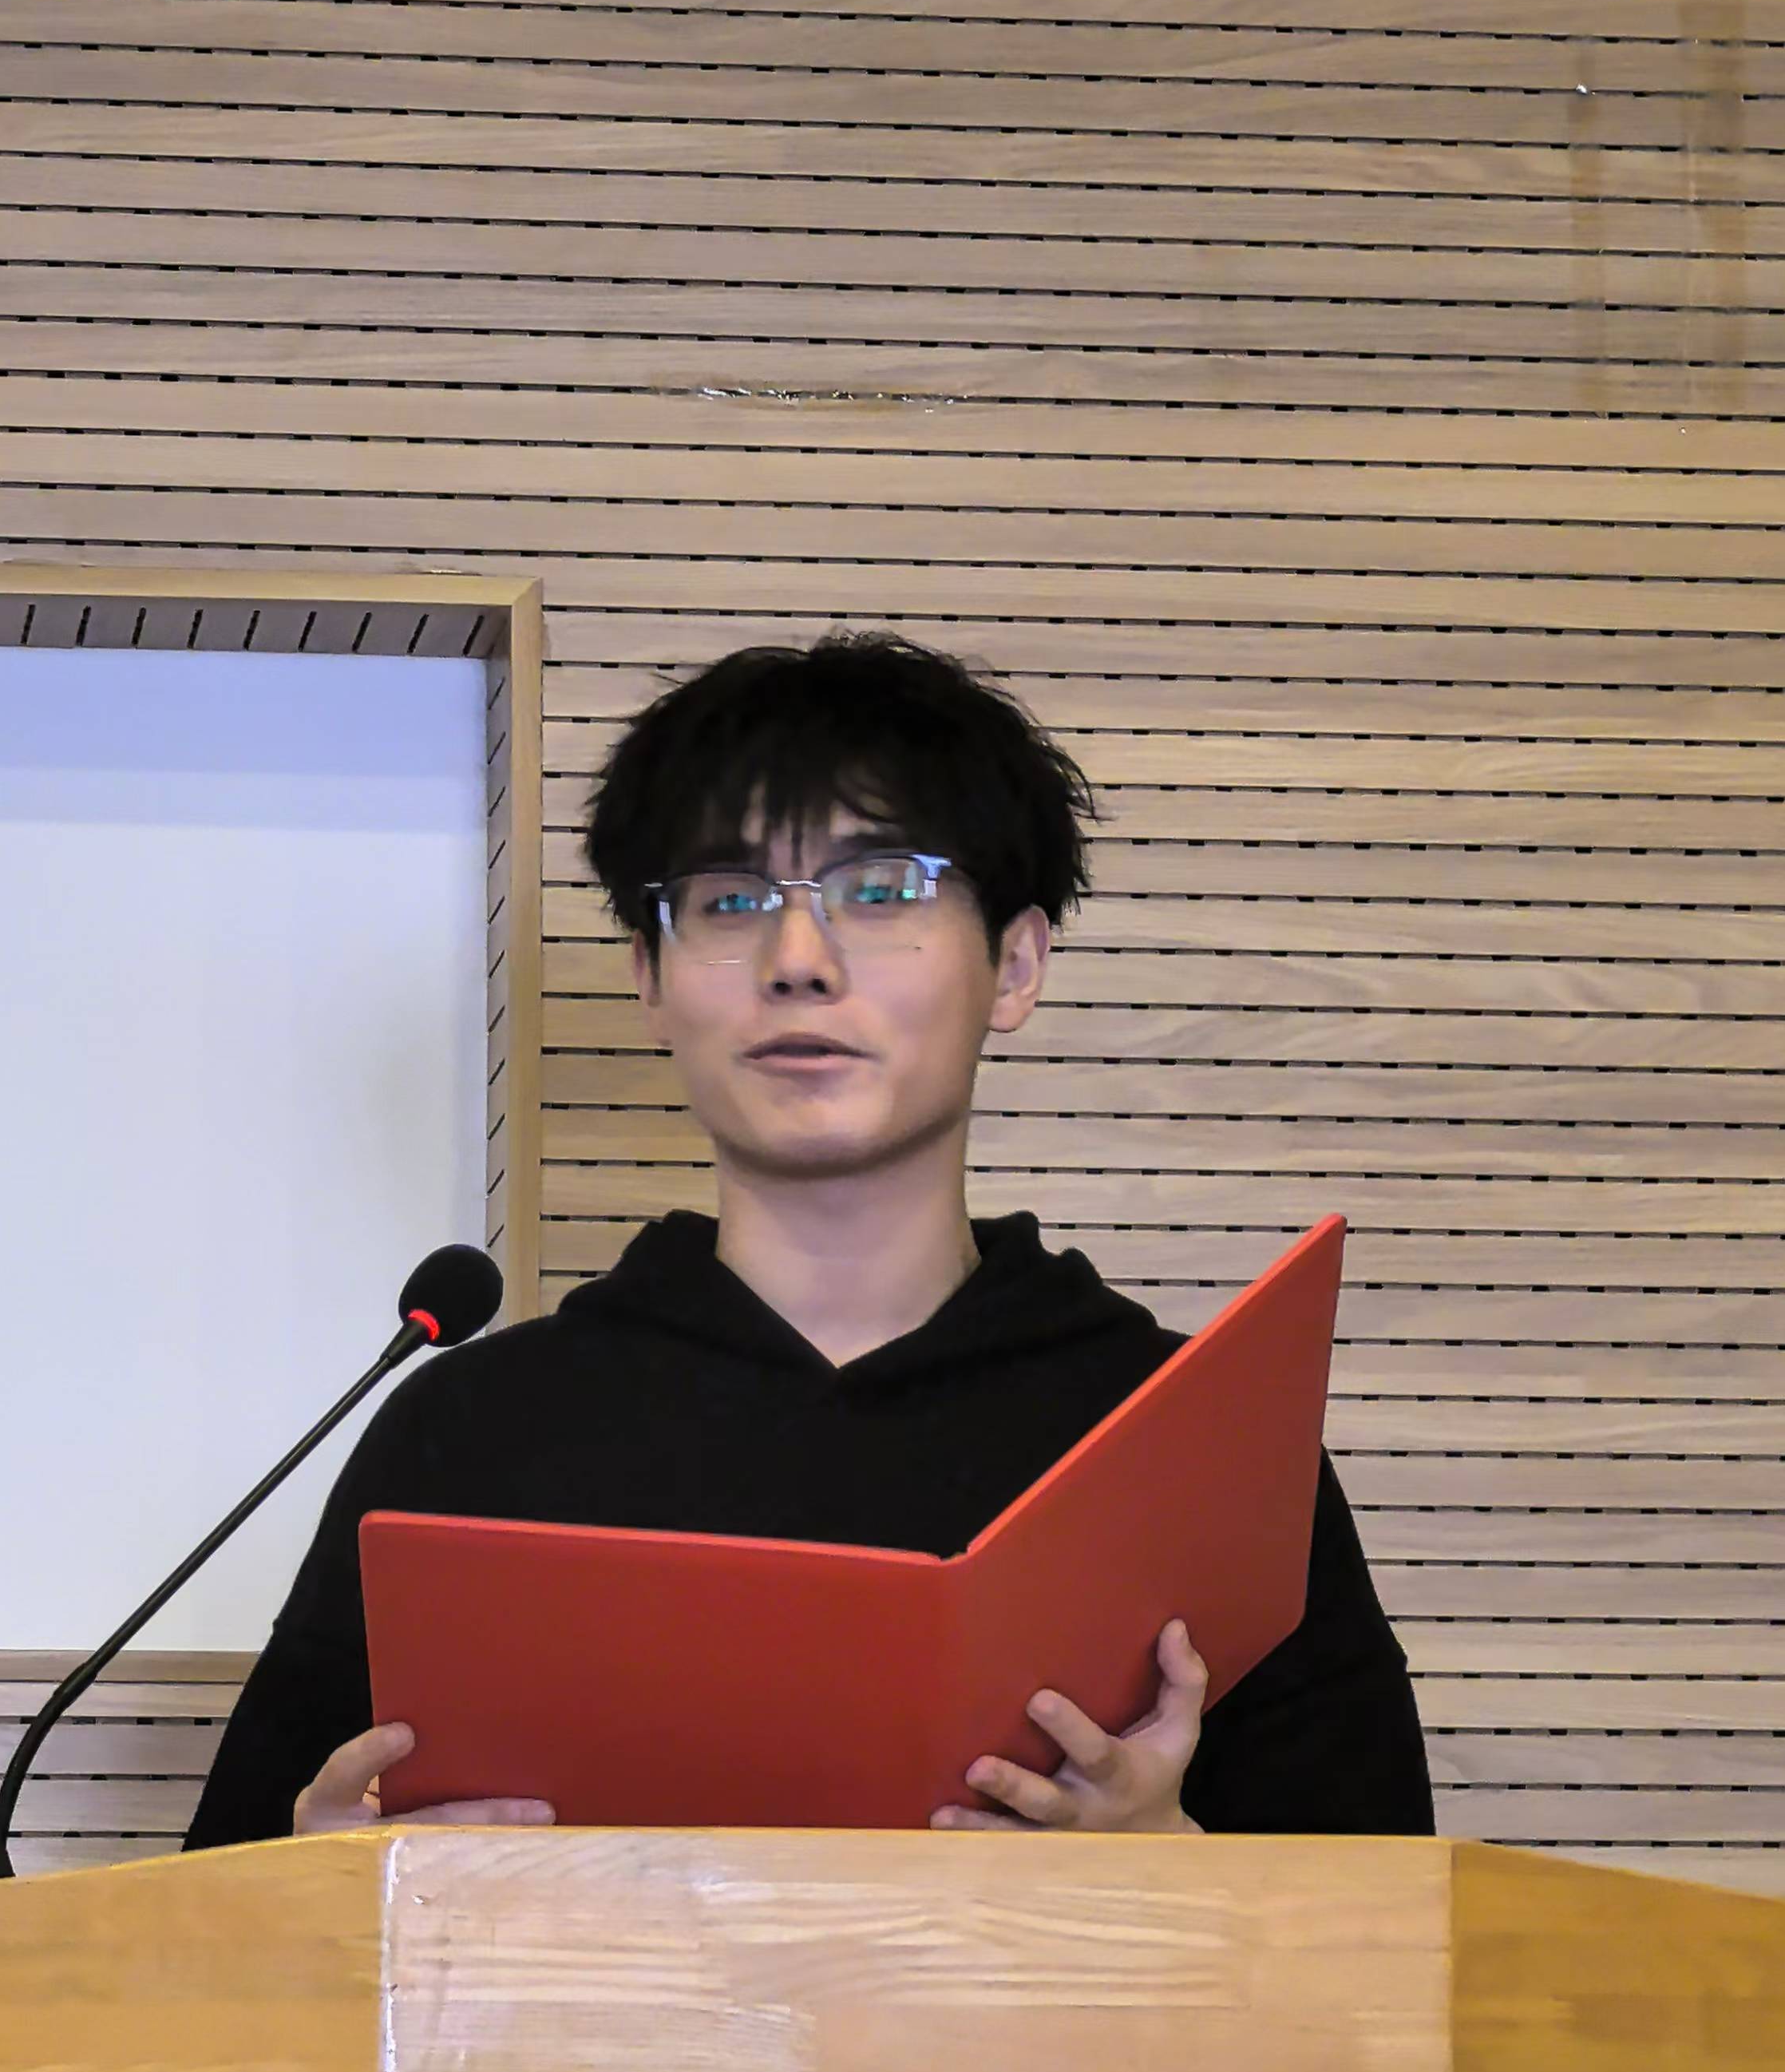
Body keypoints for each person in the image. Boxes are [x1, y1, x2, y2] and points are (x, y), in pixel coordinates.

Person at [187, 633, 1433, 1848]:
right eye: (730, 901)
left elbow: (1395, 1930)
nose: (797, 960)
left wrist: (1176, 1862)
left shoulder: (1189, 1447)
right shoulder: (470, 1434)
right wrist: (325, 1882)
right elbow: (233, 1900)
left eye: (881, 890)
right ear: (651, 977)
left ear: (1015, 964)